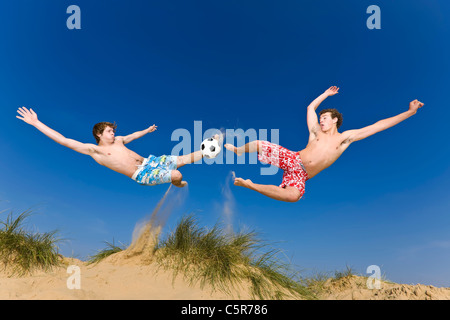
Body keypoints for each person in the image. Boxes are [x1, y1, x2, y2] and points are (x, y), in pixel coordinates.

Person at [224, 86, 424, 202]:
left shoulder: (344, 138)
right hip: (293, 159)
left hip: (301, 174)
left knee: (294, 196)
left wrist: (409, 112)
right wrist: (325, 94)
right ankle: (239, 151)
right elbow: (311, 107)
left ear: (335, 120)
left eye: (325, 118)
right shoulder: (315, 132)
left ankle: (251, 185)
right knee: (259, 143)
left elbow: (378, 126)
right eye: (321, 118)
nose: (321, 120)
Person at [16, 107, 219, 188]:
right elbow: (63, 140)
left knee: (182, 158)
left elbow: (132, 135)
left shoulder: (120, 140)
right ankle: (177, 184)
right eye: (109, 131)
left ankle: (209, 147)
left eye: (113, 130)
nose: (113, 133)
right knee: (176, 175)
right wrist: (36, 123)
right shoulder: (95, 150)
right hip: (142, 175)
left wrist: (146, 131)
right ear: (99, 134)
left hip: (151, 162)